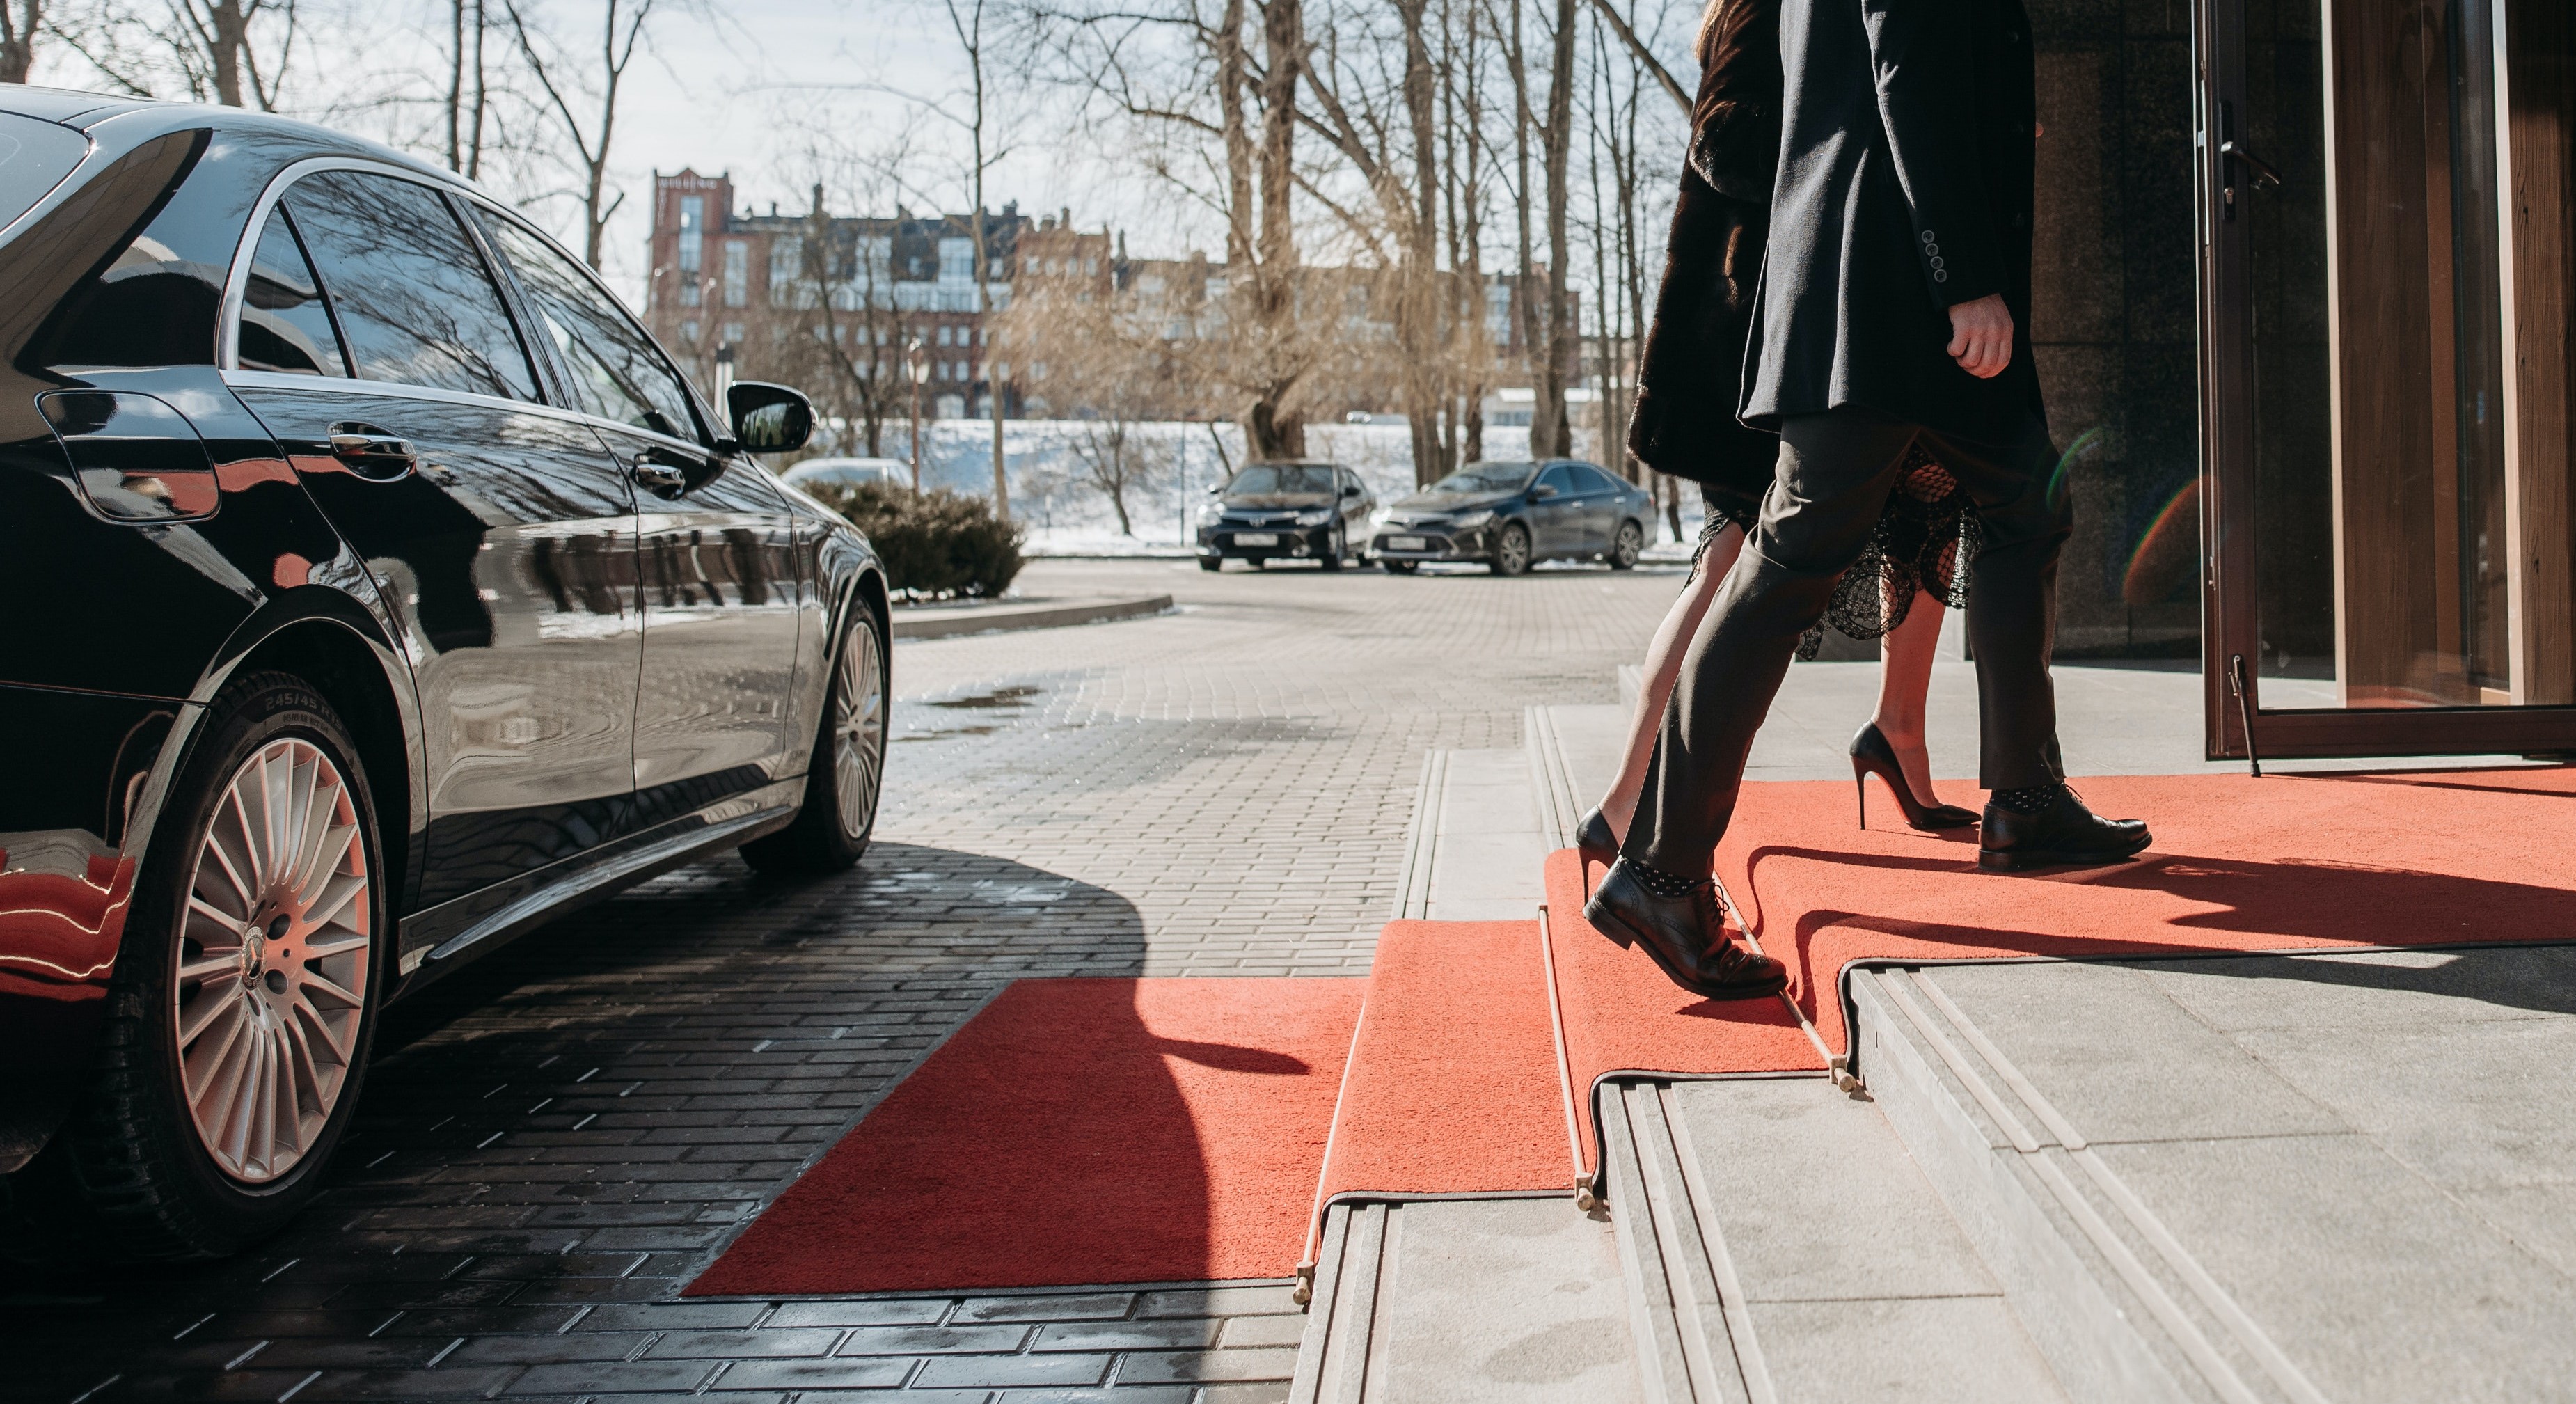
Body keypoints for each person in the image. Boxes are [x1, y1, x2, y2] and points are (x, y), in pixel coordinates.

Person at [1584, 0, 2151, 1002]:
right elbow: (1908, 73)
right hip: (1889, 295)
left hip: (1854, 292)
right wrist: (1963, 277)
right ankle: (1664, 869)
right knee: (1801, 559)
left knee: (2016, 503)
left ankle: (2023, 795)